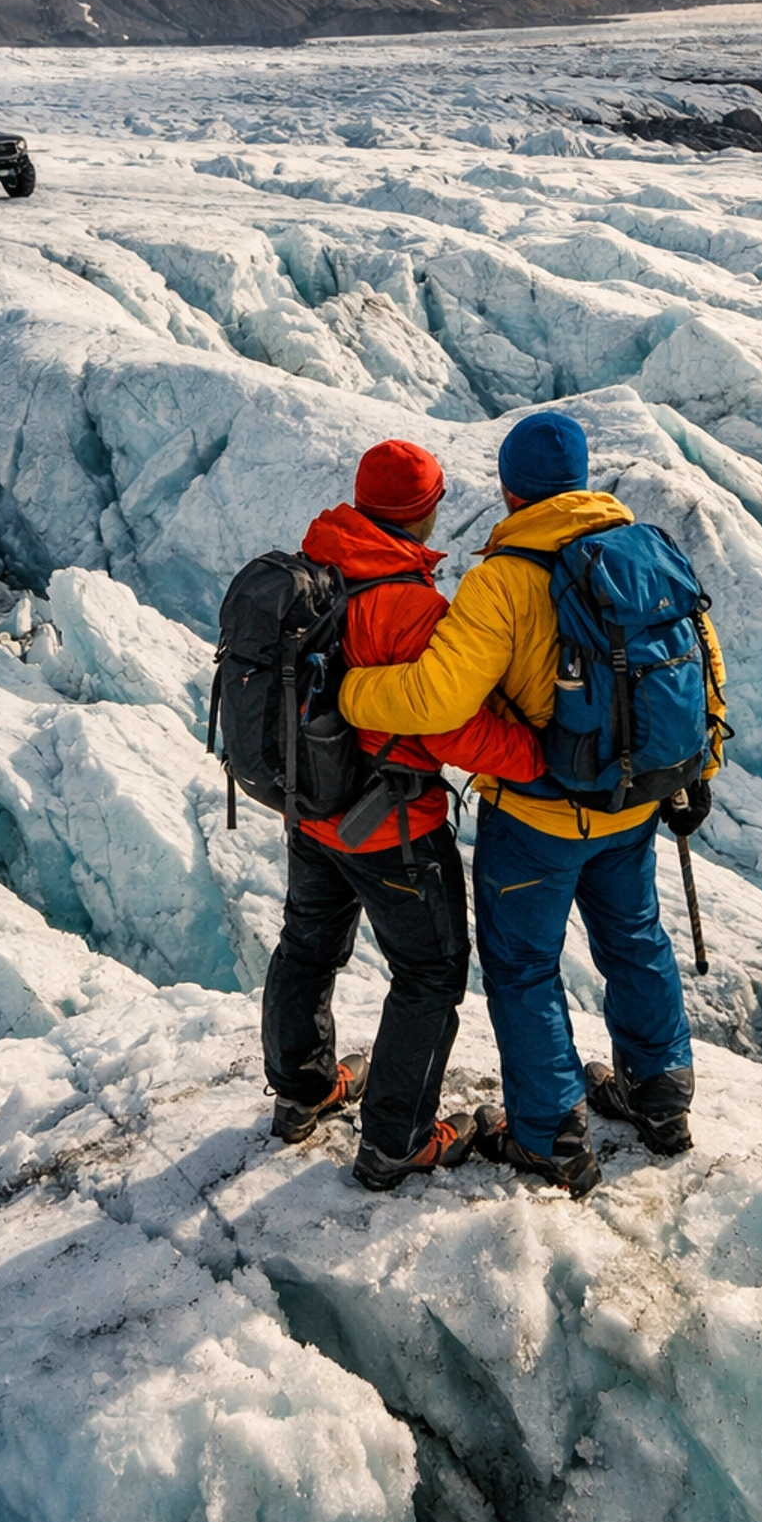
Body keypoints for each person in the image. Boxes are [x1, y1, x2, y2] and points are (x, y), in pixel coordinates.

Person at [340, 410, 725, 1199]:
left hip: (537, 817)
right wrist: (697, 772)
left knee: (523, 970)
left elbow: (438, 697)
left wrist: (349, 692)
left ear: (511, 490)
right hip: (630, 806)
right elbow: (702, 668)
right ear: (582, 481)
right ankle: (660, 1099)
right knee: (635, 941)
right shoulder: (647, 553)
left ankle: (550, 1137)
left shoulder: (504, 581)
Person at [261, 438, 548, 1191]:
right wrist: (533, 756)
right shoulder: (409, 606)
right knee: (429, 973)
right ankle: (398, 1141)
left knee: (308, 945)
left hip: (312, 813)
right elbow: (446, 725)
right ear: (426, 512)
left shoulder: (315, 572)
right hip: (392, 828)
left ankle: (302, 1091)